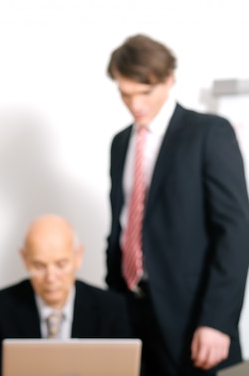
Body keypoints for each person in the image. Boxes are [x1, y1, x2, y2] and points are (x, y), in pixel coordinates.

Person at [105, 33, 249, 376]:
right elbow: (122, 223)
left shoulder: (209, 133)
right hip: (130, 310)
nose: (136, 105)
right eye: (125, 95)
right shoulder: (121, 142)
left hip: (194, 317)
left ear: (169, 79)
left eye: (145, 93)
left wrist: (217, 320)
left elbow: (235, 232)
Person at [0, 214, 132, 376]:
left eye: (61, 265)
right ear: (24, 259)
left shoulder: (111, 308)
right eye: (39, 266)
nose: (51, 277)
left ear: (78, 256)